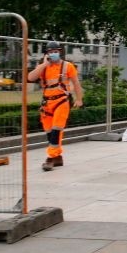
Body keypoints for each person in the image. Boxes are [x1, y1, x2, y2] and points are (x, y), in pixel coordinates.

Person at [27, 40, 83, 171]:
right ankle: (58, 157)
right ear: (47, 54)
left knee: (56, 129)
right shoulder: (43, 67)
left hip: (62, 101)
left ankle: (50, 158)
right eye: (51, 52)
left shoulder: (68, 66)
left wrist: (79, 99)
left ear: (60, 52)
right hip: (47, 103)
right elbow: (30, 77)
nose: (53, 54)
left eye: (56, 52)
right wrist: (44, 64)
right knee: (49, 132)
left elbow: (76, 84)